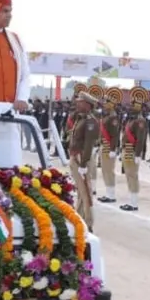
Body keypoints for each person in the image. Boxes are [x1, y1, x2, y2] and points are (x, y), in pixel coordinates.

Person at [66, 86, 100, 230]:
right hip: (75, 156)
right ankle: (79, 216)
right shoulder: (81, 118)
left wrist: (83, 164)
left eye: (80, 102)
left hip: (82, 158)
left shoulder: (91, 121)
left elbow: (88, 144)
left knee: (85, 191)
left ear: (87, 105)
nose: (77, 104)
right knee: (80, 190)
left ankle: (88, 222)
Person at [118, 87, 150, 212]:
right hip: (127, 150)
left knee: (132, 176)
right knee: (129, 176)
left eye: (132, 105)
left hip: (132, 151)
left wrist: (138, 154)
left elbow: (141, 139)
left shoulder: (140, 121)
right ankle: (131, 200)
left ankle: (134, 203)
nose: (130, 107)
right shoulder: (131, 119)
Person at [96, 86, 123, 204]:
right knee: (104, 170)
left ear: (112, 104)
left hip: (108, 146)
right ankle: (108, 193)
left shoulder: (113, 117)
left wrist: (113, 149)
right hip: (103, 145)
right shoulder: (106, 115)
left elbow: (115, 135)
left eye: (107, 101)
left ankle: (111, 195)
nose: (104, 103)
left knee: (109, 171)